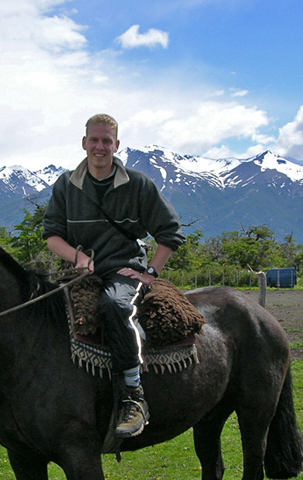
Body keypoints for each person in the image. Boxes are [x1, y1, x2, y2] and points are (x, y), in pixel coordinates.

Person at [43, 114, 185, 438]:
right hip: (80, 270)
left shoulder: (138, 184)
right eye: (94, 139)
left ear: (117, 145)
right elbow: (52, 235)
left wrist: (150, 273)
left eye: (107, 140)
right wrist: (77, 256)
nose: (100, 146)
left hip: (124, 269)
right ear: (84, 143)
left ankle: (134, 397)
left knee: (115, 308)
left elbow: (170, 232)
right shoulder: (66, 185)